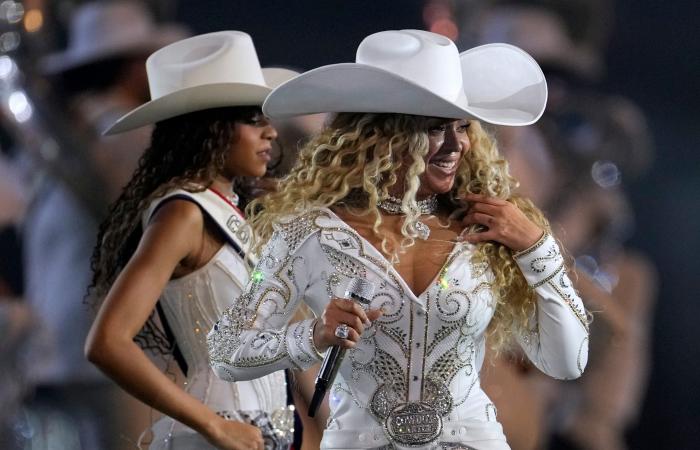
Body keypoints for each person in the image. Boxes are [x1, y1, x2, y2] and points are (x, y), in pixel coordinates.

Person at [208, 29, 589, 450]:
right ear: (382, 135)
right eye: (435, 128)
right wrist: (314, 335)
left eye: (462, 127)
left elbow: (567, 361)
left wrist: (537, 247)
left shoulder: (489, 227)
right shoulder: (310, 233)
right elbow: (228, 351)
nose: (456, 144)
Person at [85, 31, 298, 450]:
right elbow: (106, 341)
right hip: (214, 434)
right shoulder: (182, 213)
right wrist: (214, 426)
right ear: (210, 128)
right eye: (254, 119)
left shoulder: (234, 209)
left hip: (264, 434)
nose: (271, 133)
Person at [21, 2, 186, 448]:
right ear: (134, 66)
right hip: (117, 348)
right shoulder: (134, 134)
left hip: (52, 346)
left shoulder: (60, 134)